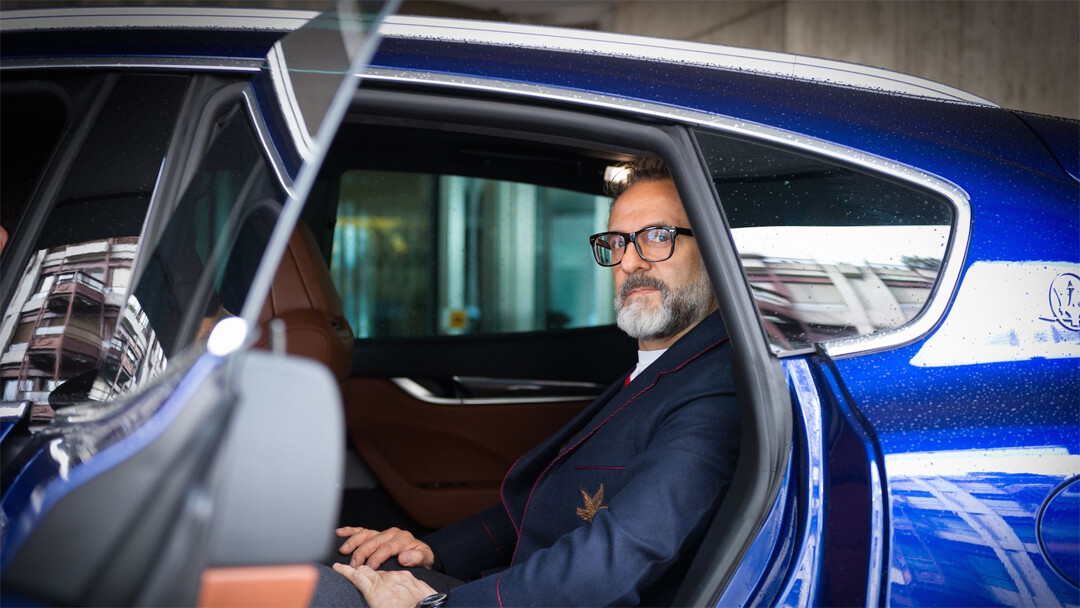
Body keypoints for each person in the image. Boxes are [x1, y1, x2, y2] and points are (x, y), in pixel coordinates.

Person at [315, 157, 739, 607]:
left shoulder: (714, 390)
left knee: (314, 590)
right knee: (340, 557)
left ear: (715, 251)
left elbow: (615, 561)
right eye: (617, 241)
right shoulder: (658, 370)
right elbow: (539, 510)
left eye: (657, 237)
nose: (630, 261)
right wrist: (434, 551)